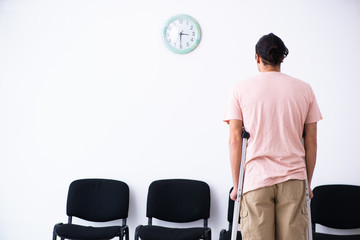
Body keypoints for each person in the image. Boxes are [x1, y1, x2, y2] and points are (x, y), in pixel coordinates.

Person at [223, 33, 322, 240]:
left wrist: (236, 185)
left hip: (256, 180)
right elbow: (310, 140)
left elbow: (235, 141)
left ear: (257, 58)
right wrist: (307, 184)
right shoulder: (304, 89)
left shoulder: (239, 89)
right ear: (283, 58)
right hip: (294, 179)